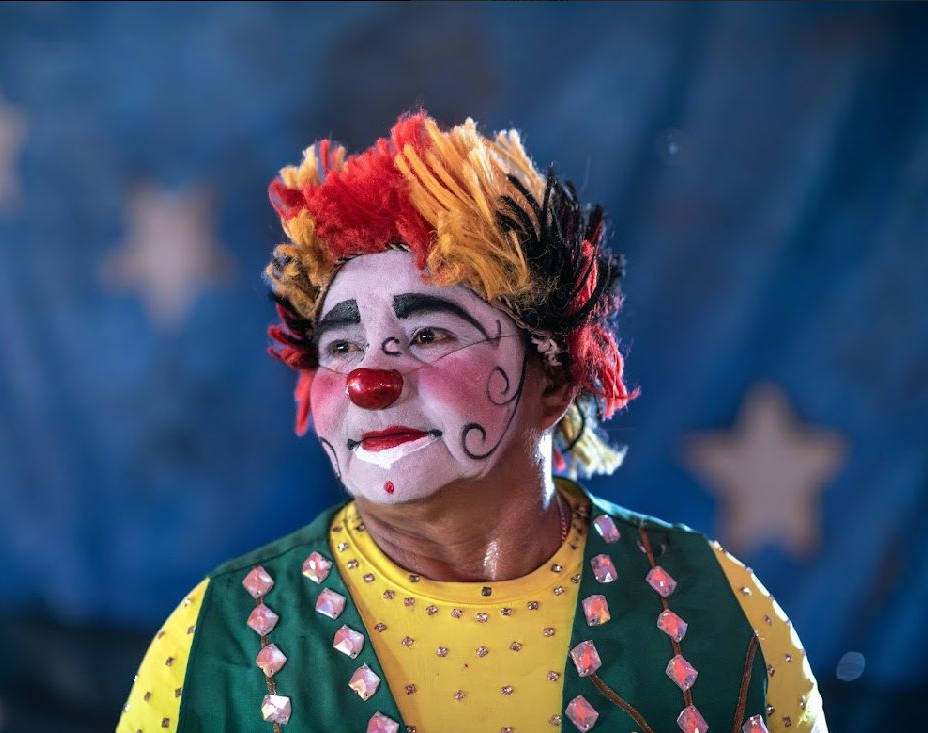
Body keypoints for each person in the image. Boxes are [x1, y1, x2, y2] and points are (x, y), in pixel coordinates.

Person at [117, 110, 827, 733]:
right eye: (341, 347)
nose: (369, 382)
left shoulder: (716, 612)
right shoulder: (219, 641)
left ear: (554, 381)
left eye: (428, 335)